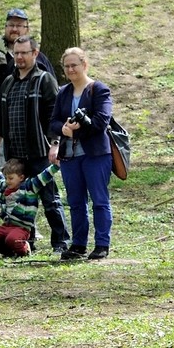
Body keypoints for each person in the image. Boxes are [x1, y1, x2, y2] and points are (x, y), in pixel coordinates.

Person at [0, 9, 57, 233]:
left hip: (32, 137)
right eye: (11, 25)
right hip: (1, 130)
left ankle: (36, 230)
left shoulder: (40, 62)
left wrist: (53, 138)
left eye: (20, 25)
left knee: (34, 184)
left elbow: (52, 101)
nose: (14, 29)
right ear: (5, 27)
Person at [0, 35, 70, 253]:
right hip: (15, 155)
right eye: (16, 53)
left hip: (39, 152)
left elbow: (54, 115)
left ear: (35, 53)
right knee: (19, 200)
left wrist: (55, 144)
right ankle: (26, 243)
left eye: (24, 53)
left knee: (50, 199)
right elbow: (0, 118)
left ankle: (61, 242)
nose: (20, 57)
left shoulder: (44, 80)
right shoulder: (8, 83)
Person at [49, 47, 113, 260]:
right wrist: (64, 129)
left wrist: (79, 127)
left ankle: (102, 244)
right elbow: (54, 121)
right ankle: (78, 244)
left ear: (84, 65)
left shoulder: (99, 89)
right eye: (67, 66)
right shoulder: (63, 92)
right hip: (70, 155)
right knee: (75, 201)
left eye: (74, 65)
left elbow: (102, 121)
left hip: (95, 154)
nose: (70, 69)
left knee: (99, 199)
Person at [0, 158, 61, 257]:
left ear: (21, 177)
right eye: (6, 178)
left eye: (11, 178)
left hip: (21, 228)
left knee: (12, 239)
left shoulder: (30, 187)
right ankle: (9, 251)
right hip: (6, 226)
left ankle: (25, 250)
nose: (7, 181)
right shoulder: (5, 186)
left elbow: (43, 177)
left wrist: (55, 166)